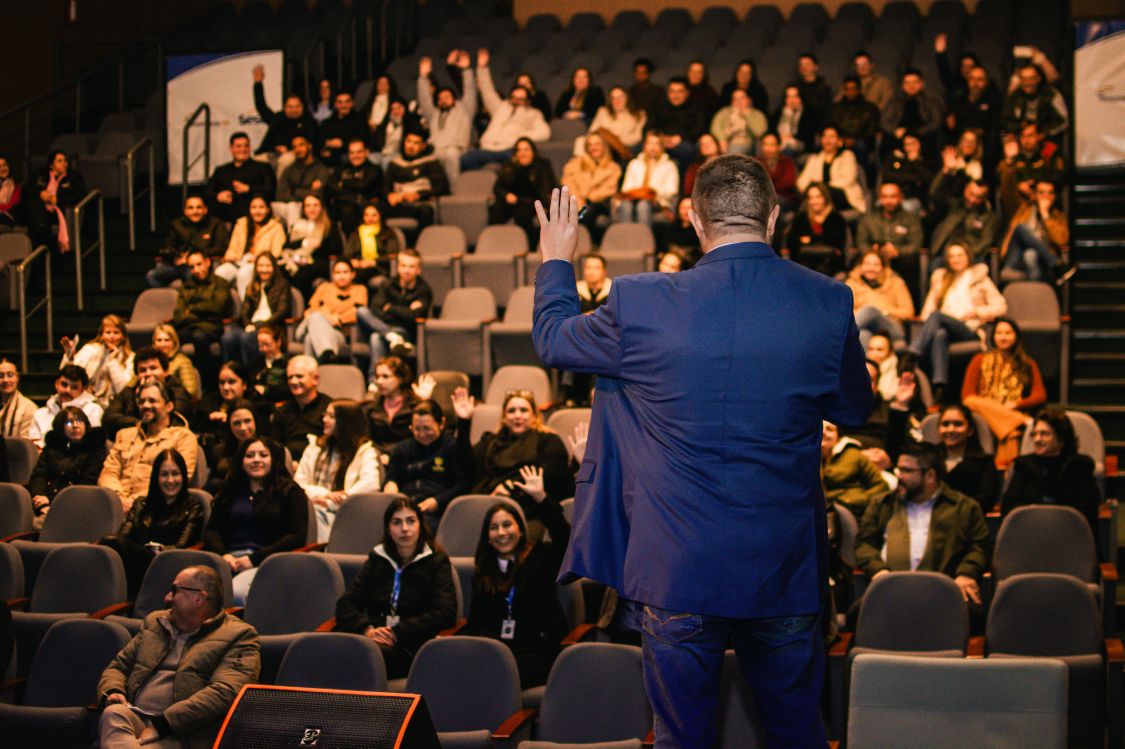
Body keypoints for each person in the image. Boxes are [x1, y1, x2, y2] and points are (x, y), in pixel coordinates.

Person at [531, 155, 872, 746]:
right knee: (796, 733)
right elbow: (854, 409)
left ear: (692, 219)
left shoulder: (640, 304)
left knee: (681, 738)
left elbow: (553, 338)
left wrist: (557, 258)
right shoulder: (828, 301)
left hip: (678, 566)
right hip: (782, 566)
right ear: (774, 216)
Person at [96, 565, 260, 749]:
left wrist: (164, 725)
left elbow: (225, 692)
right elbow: (119, 666)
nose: (167, 598)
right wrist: (113, 691)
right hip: (135, 718)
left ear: (199, 598)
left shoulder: (239, 635)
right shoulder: (155, 622)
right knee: (113, 713)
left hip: (184, 733)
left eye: (175, 591)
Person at [853, 442, 990, 630]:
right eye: (898, 469)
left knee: (974, 617)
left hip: (942, 593)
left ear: (930, 475)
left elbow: (979, 546)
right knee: (857, 615)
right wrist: (878, 570)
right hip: (890, 592)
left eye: (906, 470)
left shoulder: (964, 507)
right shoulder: (882, 504)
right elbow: (863, 544)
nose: (898, 476)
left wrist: (967, 573)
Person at [334, 497, 457, 678]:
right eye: (397, 522)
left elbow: (445, 613)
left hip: (411, 645)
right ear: (388, 528)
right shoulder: (378, 558)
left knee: (356, 659)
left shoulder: (436, 560)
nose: (404, 529)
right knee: (330, 650)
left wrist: (397, 632)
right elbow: (346, 604)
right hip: (372, 640)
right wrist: (366, 630)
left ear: (420, 525)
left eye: (411, 521)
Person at [463, 492, 572, 687]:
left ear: (521, 530)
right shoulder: (483, 571)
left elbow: (565, 538)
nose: (502, 533)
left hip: (536, 651)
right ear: (487, 537)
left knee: (493, 677)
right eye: (494, 528)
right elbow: (476, 622)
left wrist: (542, 499)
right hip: (497, 653)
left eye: (507, 525)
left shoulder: (540, 557)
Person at [204, 436, 309, 603]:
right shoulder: (231, 490)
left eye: (263, 455)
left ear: (274, 459)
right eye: (250, 455)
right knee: (192, 592)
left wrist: (254, 559)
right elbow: (212, 530)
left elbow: (296, 536)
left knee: (235, 595)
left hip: (267, 563)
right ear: (241, 460)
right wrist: (223, 554)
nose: (256, 460)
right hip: (227, 562)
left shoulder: (291, 492)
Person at [100, 449, 204, 597]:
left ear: (183, 476)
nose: (170, 480)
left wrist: (157, 550)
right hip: (136, 564)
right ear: (156, 477)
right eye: (164, 474)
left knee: (111, 543)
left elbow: (182, 546)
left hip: (168, 565)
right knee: (109, 545)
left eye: (175, 473)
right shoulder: (141, 505)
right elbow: (122, 537)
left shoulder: (193, 506)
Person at [910, 244, 1007, 397]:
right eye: (951, 256)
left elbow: (1000, 306)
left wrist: (976, 312)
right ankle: (939, 387)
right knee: (939, 333)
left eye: (959, 255)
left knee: (936, 316)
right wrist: (925, 322)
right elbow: (927, 310)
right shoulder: (941, 278)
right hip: (945, 326)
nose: (955, 259)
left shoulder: (980, 278)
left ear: (968, 256)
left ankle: (913, 353)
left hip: (970, 328)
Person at [459, 389, 574, 506]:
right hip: (489, 502)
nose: (517, 415)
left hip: (531, 505)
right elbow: (466, 467)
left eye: (524, 410)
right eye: (511, 411)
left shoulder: (549, 440)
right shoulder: (490, 441)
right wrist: (464, 423)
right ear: (504, 417)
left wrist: (509, 486)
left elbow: (551, 474)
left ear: (534, 416)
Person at [100, 381, 200, 512]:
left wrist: (136, 503)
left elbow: (176, 481)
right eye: (142, 401)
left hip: (154, 510)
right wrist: (117, 498)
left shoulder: (183, 438)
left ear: (169, 406)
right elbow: (108, 473)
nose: (145, 405)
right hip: (115, 506)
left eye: (152, 401)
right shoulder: (124, 435)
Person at [962, 317, 1047, 468]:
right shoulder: (979, 359)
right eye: (999, 333)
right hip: (983, 413)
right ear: (993, 337)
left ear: (1016, 336)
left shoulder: (1026, 363)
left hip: (1011, 411)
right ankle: (1018, 421)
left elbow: (1040, 395)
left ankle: (1005, 472)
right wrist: (996, 409)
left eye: (1008, 333)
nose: (1003, 337)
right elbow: (967, 396)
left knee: (1010, 434)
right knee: (970, 401)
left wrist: (1016, 404)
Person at [294, 399, 382, 541]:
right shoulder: (315, 447)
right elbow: (298, 483)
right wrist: (324, 494)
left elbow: (370, 484)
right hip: (314, 506)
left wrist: (332, 502)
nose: (324, 419)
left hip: (348, 513)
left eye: (331, 416)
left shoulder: (365, 451)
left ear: (345, 422)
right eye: (325, 415)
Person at [1002, 408, 1101, 532]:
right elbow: (1009, 506)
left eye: (1044, 434)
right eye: (1034, 434)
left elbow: (1087, 509)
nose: (1037, 439)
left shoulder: (1080, 466)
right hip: (1030, 534)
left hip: (1069, 535)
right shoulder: (1023, 465)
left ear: (1061, 438)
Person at [384, 399, 473, 525]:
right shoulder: (402, 449)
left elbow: (464, 484)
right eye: (416, 429)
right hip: (404, 508)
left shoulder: (453, 447)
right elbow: (391, 478)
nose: (422, 434)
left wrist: (438, 501)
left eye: (427, 429)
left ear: (441, 423)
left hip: (438, 511)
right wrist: (390, 486)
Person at [461, 48, 551, 171]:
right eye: (513, 98)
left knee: (516, 164)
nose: (516, 101)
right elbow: (488, 92)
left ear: (528, 101)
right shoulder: (501, 107)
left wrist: (519, 137)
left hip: (508, 150)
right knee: (466, 159)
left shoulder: (533, 113)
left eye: (520, 99)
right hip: (487, 148)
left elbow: (544, 132)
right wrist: (482, 68)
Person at [356, 249, 431, 378]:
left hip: (404, 332)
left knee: (376, 337)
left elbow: (415, 317)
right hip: (383, 325)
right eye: (403, 266)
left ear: (418, 270)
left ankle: (374, 380)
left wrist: (390, 308)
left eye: (411, 267)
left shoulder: (424, 290)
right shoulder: (387, 284)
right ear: (398, 267)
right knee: (361, 311)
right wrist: (405, 310)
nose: (407, 270)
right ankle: (390, 335)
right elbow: (375, 308)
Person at [27, 406, 107, 522]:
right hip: (46, 501)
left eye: (79, 421)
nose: (75, 426)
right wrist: (39, 498)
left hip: (78, 501)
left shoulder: (95, 447)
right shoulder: (53, 446)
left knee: (41, 523)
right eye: (69, 422)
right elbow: (39, 475)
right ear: (61, 427)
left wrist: (51, 500)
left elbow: (88, 481)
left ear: (86, 424)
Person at [102, 348, 193, 439]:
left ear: (165, 372)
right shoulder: (129, 392)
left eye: (153, 368)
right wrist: (137, 419)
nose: (148, 373)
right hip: (133, 440)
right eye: (142, 370)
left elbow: (172, 418)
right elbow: (109, 418)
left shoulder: (178, 392)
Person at [172, 250, 231, 385]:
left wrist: (192, 309)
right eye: (192, 267)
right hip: (190, 327)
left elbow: (217, 308)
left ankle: (207, 383)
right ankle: (177, 381)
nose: (196, 270)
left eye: (199, 264)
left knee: (200, 337)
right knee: (169, 336)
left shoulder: (220, 283)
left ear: (207, 263)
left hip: (211, 328)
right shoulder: (186, 286)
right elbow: (179, 316)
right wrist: (202, 313)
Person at [855, 183, 924, 298]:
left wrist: (897, 251)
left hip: (900, 260)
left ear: (900, 197)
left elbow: (915, 244)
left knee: (910, 262)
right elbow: (861, 241)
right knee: (863, 263)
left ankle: (910, 307)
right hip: (874, 258)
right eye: (885, 197)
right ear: (880, 198)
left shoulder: (911, 218)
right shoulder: (869, 218)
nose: (889, 201)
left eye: (893, 196)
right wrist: (872, 253)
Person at [221, 252, 291, 365]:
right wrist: (248, 324)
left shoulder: (282, 285)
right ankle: (233, 372)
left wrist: (259, 325)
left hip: (271, 326)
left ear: (274, 267)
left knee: (246, 338)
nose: (264, 269)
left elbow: (282, 311)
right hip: (252, 326)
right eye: (261, 265)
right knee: (228, 338)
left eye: (267, 266)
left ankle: (250, 375)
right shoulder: (252, 286)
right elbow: (244, 311)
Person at [417, 53, 477, 181]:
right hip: (436, 149)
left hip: (457, 149)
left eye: (447, 97)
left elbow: (470, 91)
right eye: (440, 98)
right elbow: (424, 100)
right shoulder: (434, 114)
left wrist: (467, 70)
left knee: (450, 154)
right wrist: (423, 77)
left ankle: (453, 190)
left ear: (454, 99)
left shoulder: (465, 110)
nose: (443, 100)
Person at [930, 403, 1001, 511]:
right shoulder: (928, 459)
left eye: (958, 424)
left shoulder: (984, 462)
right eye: (945, 424)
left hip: (968, 522)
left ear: (970, 430)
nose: (950, 429)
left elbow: (986, 500)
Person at [147, 195, 230, 288]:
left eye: (199, 207)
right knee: (152, 276)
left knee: (191, 275)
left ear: (205, 210)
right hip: (179, 264)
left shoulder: (216, 224)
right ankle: (171, 300)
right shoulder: (177, 224)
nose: (195, 211)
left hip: (201, 264)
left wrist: (192, 257)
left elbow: (221, 248)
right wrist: (176, 256)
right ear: (185, 211)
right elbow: (169, 246)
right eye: (191, 208)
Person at [294, 258, 366, 362]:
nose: (341, 276)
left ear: (353, 274)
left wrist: (340, 319)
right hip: (306, 328)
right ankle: (327, 353)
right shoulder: (324, 287)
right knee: (315, 317)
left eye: (345, 272)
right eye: (338, 272)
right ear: (332, 274)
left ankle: (316, 366)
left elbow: (358, 312)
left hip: (337, 333)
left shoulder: (360, 290)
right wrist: (328, 317)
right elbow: (309, 311)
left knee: (310, 339)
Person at [216, 195, 286, 300]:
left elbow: (277, 252)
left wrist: (257, 259)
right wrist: (231, 257)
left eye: (261, 207)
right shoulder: (241, 223)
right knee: (221, 272)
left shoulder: (276, 227)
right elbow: (232, 248)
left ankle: (244, 308)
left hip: (259, 264)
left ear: (268, 209)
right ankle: (220, 308)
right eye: (254, 207)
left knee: (244, 273)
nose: (257, 211)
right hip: (238, 261)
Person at [488, 137, 556, 245]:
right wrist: (506, 195)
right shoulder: (510, 166)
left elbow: (548, 187)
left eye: (526, 149)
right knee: (496, 211)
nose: (522, 153)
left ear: (533, 152)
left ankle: (532, 245)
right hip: (513, 201)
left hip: (534, 201)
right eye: (519, 150)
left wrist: (545, 206)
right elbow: (498, 187)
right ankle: (495, 244)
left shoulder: (542, 165)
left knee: (522, 215)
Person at [58, 314, 135, 409]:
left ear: (123, 336)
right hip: (88, 402)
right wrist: (70, 356)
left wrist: (112, 361)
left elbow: (122, 389)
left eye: (116, 332)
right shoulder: (90, 349)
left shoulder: (130, 357)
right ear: (102, 335)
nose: (112, 336)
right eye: (108, 332)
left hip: (116, 406)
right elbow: (69, 376)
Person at [382, 130, 451, 234]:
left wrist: (419, 195)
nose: (411, 146)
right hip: (399, 205)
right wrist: (389, 195)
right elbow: (384, 186)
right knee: (373, 209)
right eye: (408, 141)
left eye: (416, 143)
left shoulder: (431, 162)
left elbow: (443, 187)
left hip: (419, 205)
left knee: (426, 211)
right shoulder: (394, 163)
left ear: (423, 146)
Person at [1000, 180, 1069, 283]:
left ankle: (1033, 294)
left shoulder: (1058, 217)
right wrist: (1017, 186)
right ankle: (1055, 263)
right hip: (1016, 258)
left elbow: (1062, 240)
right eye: (1041, 192)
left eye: (1050, 193)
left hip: (1041, 263)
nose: (1046, 196)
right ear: (1035, 195)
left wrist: (1045, 215)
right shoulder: (1023, 208)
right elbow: (1007, 194)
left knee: (1030, 254)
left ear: (1054, 196)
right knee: (1021, 228)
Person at [996, 122, 1066, 222]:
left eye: (1030, 136)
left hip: (1044, 199)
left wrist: (1037, 187)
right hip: (1019, 203)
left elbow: (1060, 176)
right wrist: (1018, 185)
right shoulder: (1013, 153)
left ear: (1038, 136)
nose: (1026, 140)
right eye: (1023, 136)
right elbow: (998, 177)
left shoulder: (1049, 151)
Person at [251, 64, 318, 169]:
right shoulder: (278, 118)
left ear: (302, 107)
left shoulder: (308, 122)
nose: (293, 110)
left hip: (292, 155)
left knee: (286, 160)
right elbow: (261, 107)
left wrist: (290, 150)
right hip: (270, 153)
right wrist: (258, 83)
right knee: (253, 162)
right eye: (290, 107)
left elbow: (309, 145)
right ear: (284, 108)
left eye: (297, 106)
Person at [846, 249, 915, 348]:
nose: (871, 268)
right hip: (863, 326)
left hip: (891, 327)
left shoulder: (896, 283)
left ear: (883, 267)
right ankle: (868, 363)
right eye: (867, 264)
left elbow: (908, 312)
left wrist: (885, 311)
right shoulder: (852, 283)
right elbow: (846, 311)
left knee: (870, 310)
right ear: (860, 266)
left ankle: (839, 335)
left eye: (876, 265)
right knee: (864, 335)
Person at [821, 420, 890, 519]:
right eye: (820, 428)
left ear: (838, 436)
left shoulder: (853, 455)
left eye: (830, 430)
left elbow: (881, 485)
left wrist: (858, 500)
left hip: (850, 511)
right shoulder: (810, 460)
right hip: (822, 510)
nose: (824, 432)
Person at [270, 355, 332, 461]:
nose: (293, 381)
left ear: (315, 379)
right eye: (290, 377)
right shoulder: (281, 410)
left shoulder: (329, 408)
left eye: (299, 376)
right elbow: (275, 448)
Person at [206, 132, 277, 223]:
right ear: (231, 149)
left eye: (246, 146)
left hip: (252, 214)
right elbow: (207, 192)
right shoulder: (221, 170)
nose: (243, 149)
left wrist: (249, 189)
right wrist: (218, 196)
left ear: (250, 148)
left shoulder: (262, 167)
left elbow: (271, 189)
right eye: (238, 146)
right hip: (225, 214)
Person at [281, 193, 343, 298]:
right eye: (308, 206)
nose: (312, 209)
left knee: (302, 273)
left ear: (321, 207)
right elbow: (286, 246)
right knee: (281, 269)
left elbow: (336, 248)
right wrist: (303, 242)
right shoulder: (297, 224)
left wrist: (317, 247)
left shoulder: (329, 225)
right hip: (295, 258)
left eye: (315, 205)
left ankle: (303, 307)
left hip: (318, 261)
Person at [365, 357, 432, 452]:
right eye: (377, 376)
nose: (379, 381)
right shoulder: (372, 406)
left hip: (407, 458)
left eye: (385, 376)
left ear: (400, 378)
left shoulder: (415, 405)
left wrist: (425, 401)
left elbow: (426, 436)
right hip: (378, 458)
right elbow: (367, 438)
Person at [28, 363, 104, 447]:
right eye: (64, 384)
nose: (67, 390)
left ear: (82, 389)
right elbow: (34, 446)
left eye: (74, 387)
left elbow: (92, 445)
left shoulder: (92, 410)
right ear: (56, 384)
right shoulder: (40, 414)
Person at [796, 126, 867, 215]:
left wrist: (822, 188)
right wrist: (814, 189)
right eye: (825, 136)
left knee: (822, 194)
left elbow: (848, 179)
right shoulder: (814, 159)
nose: (827, 140)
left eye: (832, 136)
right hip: (819, 197)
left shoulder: (847, 156)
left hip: (844, 196)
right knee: (812, 196)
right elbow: (801, 182)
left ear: (839, 141)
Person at [615, 132, 679, 228]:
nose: (652, 147)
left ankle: (644, 240)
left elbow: (671, 191)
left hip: (659, 202)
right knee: (625, 204)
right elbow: (626, 188)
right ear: (644, 146)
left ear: (661, 147)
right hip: (634, 199)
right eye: (649, 143)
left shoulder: (669, 165)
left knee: (643, 204)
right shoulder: (634, 163)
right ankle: (625, 239)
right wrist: (640, 193)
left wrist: (650, 193)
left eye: (656, 144)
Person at [26, 149, 86, 252]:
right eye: (59, 161)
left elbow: (79, 195)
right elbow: (27, 189)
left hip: (61, 211)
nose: (64, 164)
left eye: (65, 160)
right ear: (51, 165)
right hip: (40, 211)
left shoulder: (74, 177)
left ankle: (43, 228)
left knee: (37, 227)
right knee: (34, 206)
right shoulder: (41, 175)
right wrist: (40, 193)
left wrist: (58, 199)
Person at [561, 132, 621, 231]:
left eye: (597, 144)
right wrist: (579, 199)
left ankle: (574, 229)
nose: (594, 148)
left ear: (604, 146)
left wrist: (587, 195)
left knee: (589, 209)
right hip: (578, 202)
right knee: (583, 210)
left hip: (600, 203)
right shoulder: (575, 164)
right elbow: (568, 183)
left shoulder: (613, 168)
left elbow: (609, 189)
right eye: (590, 145)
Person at [785, 182, 847, 277]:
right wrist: (822, 240)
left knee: (821, 271)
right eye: (811, 198)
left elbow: (837, 242)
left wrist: (811, 239)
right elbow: (792, 242)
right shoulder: (802, 217)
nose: (814, 201)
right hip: (804, 261)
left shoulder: (836, 218)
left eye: (818, 197)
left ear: (825, 198)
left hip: (829, 263)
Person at [325, 138, 384, 235]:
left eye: (359, 152)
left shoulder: (374, 169)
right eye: (352, 153)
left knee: (349, 210)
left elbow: (363, 186)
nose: (355, 156)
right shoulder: (342, 168)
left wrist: (343, 184)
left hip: (363, 209)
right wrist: (355, 195)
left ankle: (351, 244)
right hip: (341, 206)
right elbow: (330, 186)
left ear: (366, 152)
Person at [648, 77, 707, 174]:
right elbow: (649, 127)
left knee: (688, 150)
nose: (675, 95)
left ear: (687, 93)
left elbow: (700, 129)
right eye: (672, 91)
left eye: (680, 91)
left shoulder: (696, 107)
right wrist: (661, 138)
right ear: (668, 92)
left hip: (684, 142)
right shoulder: (659, 106)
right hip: (659, 141)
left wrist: (680, 138)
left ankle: (681, 186)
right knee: (635, 149)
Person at [930, 180, 999, 263]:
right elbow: (934, 195)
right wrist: (945, 172)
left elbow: (986, 242)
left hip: (972, 257)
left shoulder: (989, 217)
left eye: (979, 197)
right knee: (935, 266)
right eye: (971, 194)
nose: (973, 200)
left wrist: (965, 255)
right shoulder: (953, 206)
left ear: (985, 198)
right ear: (965, 189)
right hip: (945, 256)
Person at [273, 134, 333, 227]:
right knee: (289, 206)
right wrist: (302, 195)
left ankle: (295, 238)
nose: (298, 149)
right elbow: (280, 195)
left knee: (297, 206)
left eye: (301, 145)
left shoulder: (321, 169)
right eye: (294, 147)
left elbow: (317, 194)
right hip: (292, 207)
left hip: (314, 208)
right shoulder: (289, 170)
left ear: (309, 146)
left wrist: (294, 191)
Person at [202, 399, 260, 493]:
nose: (243, 428)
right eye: (237, 423)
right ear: (229, 425)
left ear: (255, 422)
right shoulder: (219, 451)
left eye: (247, 421)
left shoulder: (270, 449)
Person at [343, 201, 401, 288]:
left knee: (366, 271)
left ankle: (352, 290)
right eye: (366, 215)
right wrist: (353, 261)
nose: (370, 218)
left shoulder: (388, 233)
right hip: (358, 266)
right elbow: (347, 254)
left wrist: (373, 262)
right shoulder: (355, 234)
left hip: (378, 267)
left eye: (374, 215)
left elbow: (392, 256)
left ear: (380, 215)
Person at [880, 69, 944, 148]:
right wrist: (895, 130)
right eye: (907, 83)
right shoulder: (895, 102)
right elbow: (884, 121)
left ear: (922, 84)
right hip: (900, 135)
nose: (911, 86)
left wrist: (916, 132)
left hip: (924, 135)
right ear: (902, 86)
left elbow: (936, 122)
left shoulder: (931, 102)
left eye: (915, 82)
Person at [578, 86, 645, 160]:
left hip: (625, 146)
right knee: (581, 140)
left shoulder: (639, 114)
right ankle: (580, 166)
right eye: (613, 98)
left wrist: (615, 139)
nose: (617, 100)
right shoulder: (603, 111)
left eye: (620, 97)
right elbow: (593, 131)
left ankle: (623, 152)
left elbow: (637, 136)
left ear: (627, 98)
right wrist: (609, 138)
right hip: (604, 145)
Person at [1002, 62, 1067, 137]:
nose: (1027, 83)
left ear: (1038, 78)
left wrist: (1043, 133)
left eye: (1031, 78)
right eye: (1023, 79)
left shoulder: (1051, 94)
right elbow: (1005, 120)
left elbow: (1063, 121)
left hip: (1047, 137)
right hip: (1020, 137)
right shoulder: (1014, 96)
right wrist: (1021, 127)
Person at [829, 76, 880, 164]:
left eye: (853, 89)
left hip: (862, 141)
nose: (850, 92)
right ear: (844, 91)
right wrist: (842, 139)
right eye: (847, 89)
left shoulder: (870, 108)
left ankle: (862, 176)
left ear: (859, 90)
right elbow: (831, 127)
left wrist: (854, 140)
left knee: (861, 146)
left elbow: (872, 130)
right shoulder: (835, 108)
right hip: (839, 141)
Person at [879, 133, 933, 213]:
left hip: (915, 198)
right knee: (878, 206)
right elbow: (886, 175)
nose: (910, 147)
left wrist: (915, 162)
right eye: (907, 144)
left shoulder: (926, 160)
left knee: (904, 208)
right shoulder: (897, 157)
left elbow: (929, 180)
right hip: (893, 195)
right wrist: (914, 178)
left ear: (919, 144)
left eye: (913, 143)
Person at [370, 98, 424, 171]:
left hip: (399, 154)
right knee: (370, 158)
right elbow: (376, 138)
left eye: (399, 107)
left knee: (386, 161)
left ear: (405, 108)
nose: (396, 111)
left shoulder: (411, 123)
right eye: (393, 108)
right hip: (383, 152)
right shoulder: (386, 123)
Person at [152, 324, 203, 402]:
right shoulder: (148, 361)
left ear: (174, 343)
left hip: (177, 403)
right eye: (159, 340)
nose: (162, 344)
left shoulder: (182, 361)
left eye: (167, 340)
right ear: (154, 343)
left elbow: (190, 391)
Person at [317, 89, 367, 166]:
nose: (343, 105)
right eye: (340, 102)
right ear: (336, 104)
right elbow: (320, 140)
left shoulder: (360, 120)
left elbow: (363, 140)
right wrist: (325, 146)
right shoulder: (328, 122)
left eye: (347, 102)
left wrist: (342, 144)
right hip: (330, 154)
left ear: (352, 103)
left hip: (349, 154)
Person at [754, 132, 798, 211]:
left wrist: (767, 185)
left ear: (778, 146)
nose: (768, 149)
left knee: (773, 203)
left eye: (772, 145)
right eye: (766, 145)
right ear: (761, 147)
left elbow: (788, 183)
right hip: (762, 200)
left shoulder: (787, 162)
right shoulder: (756, 162)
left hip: (783, 199)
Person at [772, 85, 819, 157]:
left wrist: (791, 137)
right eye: (789, 97)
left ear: (801, 98)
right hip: (779, 143)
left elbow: (808, 134)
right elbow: (772, 131)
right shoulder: (778, 113)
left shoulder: (809, 113)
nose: (792, 100)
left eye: (795, 96)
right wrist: (780, 138)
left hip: (800, 145)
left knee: (789, 147)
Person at [249, 323, 289, 403]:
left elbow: (288, 389)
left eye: (267, 345)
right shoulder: (256, 362)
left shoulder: (287, 362)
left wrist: (266, 390)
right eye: (260, 345)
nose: (264, 349)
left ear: (278, 342)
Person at [679, 134, 720, 205]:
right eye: (703, 144)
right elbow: (688, 190)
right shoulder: (694, 168)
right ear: (699, 149)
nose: (707, 145)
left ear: (717, 144)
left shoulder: (728, 163)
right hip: (702, 202)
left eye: (710, 142)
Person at [0, 359, 35, 438]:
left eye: (10, 375)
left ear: (17, 377)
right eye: (1, 376)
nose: (5, 380)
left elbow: (25, 444)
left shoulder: (28, 408)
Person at [0, 154, 23, 227]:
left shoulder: (15, 186)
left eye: (4, 165)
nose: (3, 168)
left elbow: (11, 206)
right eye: (0, 166)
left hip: (7, 216)